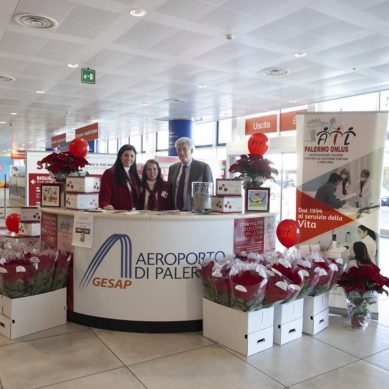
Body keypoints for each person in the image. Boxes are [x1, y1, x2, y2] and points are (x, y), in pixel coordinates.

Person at [168, 137, 213, 211]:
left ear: (191, 150)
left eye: (185, 149)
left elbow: (208, 195)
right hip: (175, 213)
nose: (181, 153)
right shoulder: (172, 169)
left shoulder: (203, 168)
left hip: (194, 215)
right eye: (179, 150)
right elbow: (170, 192)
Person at [99, 144, 141, 210]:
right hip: (117, 214)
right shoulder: (110, 173)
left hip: (134, 214)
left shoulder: (134, 175)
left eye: (132, 156)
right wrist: (105, 204)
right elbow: (104, 194)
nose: (129, 158)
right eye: (126, 155)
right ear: (120, 156)